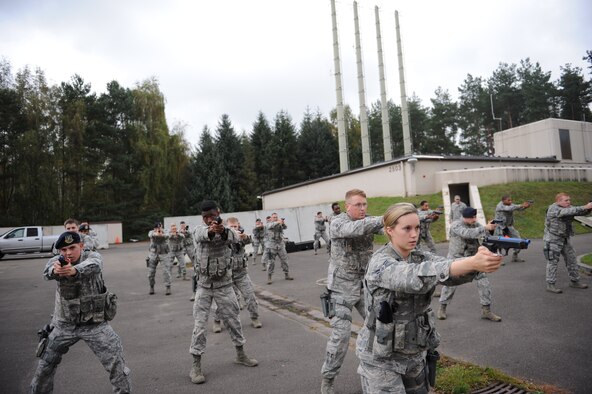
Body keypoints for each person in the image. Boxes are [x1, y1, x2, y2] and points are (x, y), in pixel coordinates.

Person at [355, 203, 502, 394]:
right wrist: (469, 262)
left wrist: (475, 263)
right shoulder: (380, 262)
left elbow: (447, 268)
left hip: (414, 353)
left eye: (417, 227)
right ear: (390, 230)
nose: (414, 234)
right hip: (381, 360)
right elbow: (413, 277)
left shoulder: (419, 256)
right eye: (407, 228)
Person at [29, 231, 131, 393]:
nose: (68, 253)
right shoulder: (56, 261)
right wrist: (56, 271)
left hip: (95, 325)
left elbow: (95, 265)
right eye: (63, 250)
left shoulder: (92, 257)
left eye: (72, 248)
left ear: (81, 246)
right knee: (44, 366)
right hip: (64, 326)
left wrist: (73, 271)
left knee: (116, 366)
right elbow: (47, 272)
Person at [320, 189, 384, 394]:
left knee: (381, 329)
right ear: (347, 206)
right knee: (341, 336)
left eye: (365, 204)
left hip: (365, 286)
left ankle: (380, 373)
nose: (363, 208)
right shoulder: (338, 222)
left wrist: (406, 217)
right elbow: (355, 229)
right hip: (341, 289)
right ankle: (328, 378)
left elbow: (390, 228)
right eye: (358, 205)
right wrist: (384, 219)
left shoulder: (370, 220)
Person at [189, 200, 257, 385]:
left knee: (234, 321)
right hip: (203, 287)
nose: (209, 219)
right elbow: (202, 234)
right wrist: (211, 230)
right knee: (200, 327)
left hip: (225, 285)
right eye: (205, 217)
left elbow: (236, 237)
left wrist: (223, 230)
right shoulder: (198, 230)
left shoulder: (229, 231)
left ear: (218, 213)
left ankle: (241, 355)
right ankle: (196, 365)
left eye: (212, 216)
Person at [437, 207, 501, 322]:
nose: (474, 219)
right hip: (456, 260)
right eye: (471, 217)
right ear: (464, 217)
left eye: (475, 217)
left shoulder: (476, 225)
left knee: (483, 281)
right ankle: (442, 307)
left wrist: (490, 228)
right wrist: (484, 227)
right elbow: (467, 234)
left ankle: (486, 310)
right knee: (450, 285)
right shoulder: (456, 225)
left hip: (473, 258)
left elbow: (484, 235)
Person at [212, 217, 262, 331]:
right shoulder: (221, 238)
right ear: (226, 227)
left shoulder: (241, 237)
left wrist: (245, 236)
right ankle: (217, 321)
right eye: (231, 227)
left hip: (241, 274)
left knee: (250, 297)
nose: (234, 229)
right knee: (222, 301)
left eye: (236, 226)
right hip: (225, 275)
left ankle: (255, 318)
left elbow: (250, 239)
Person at [544, 193, 592, 293]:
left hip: (565, 239)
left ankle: (575, 281)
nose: (569, 202)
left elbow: (580, 212)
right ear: (558, 201)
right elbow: (567, 212)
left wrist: (589, 208)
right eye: (566, 200)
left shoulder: (568, 207)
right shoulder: (553, 209)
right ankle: (550, 284)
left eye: (569, 200)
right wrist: (585, 206)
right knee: (552, 262)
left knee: (572, 260)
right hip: (553, 240)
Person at [493, 195, 531, 262]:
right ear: (503, 200)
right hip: (500, 226)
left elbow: (517, 208)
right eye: (509, 200)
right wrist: (521, 205)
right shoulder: (500, 206)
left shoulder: (511, 205)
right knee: (499, 243)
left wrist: (525, 206)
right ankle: (498, 260)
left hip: (509, 226)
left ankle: (515, 256)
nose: (511, 201)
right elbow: (509, 209)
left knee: (519, 240)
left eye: (511, 200)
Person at [263, 213, 294, 284]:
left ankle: (287, 274)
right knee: (271, 262)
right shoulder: (268, 224)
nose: (275, 218)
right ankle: (269, 277)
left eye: (276, 217)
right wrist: (278, 222)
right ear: (271, 218)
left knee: (285, 261)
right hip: (271, 246)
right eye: (274, 217)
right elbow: (271, 226)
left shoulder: (279, 223)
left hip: (280, 245)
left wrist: (283, 223)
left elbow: (285, 227)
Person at [147, 223, 172, 295]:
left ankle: (168, 287)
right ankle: (151, 286)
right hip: (153, 254)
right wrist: (156, 233)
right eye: (156, 228)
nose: (158, 229)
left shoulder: (165, 231)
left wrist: (162, 234)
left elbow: (168, 235)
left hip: (164, 254)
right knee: (150, 273)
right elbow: (150, 235)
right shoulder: (151, 232)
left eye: (160, 227)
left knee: (166, 272)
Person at [180, 222, 198, 301]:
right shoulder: (179, 231)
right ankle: (194, 293)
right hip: (184, 247)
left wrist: (184, 231)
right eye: (182, 225)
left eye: (184, 225)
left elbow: (189, 233)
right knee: (195, 275)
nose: (183, 227)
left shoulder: (189, 230)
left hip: (191, 248)